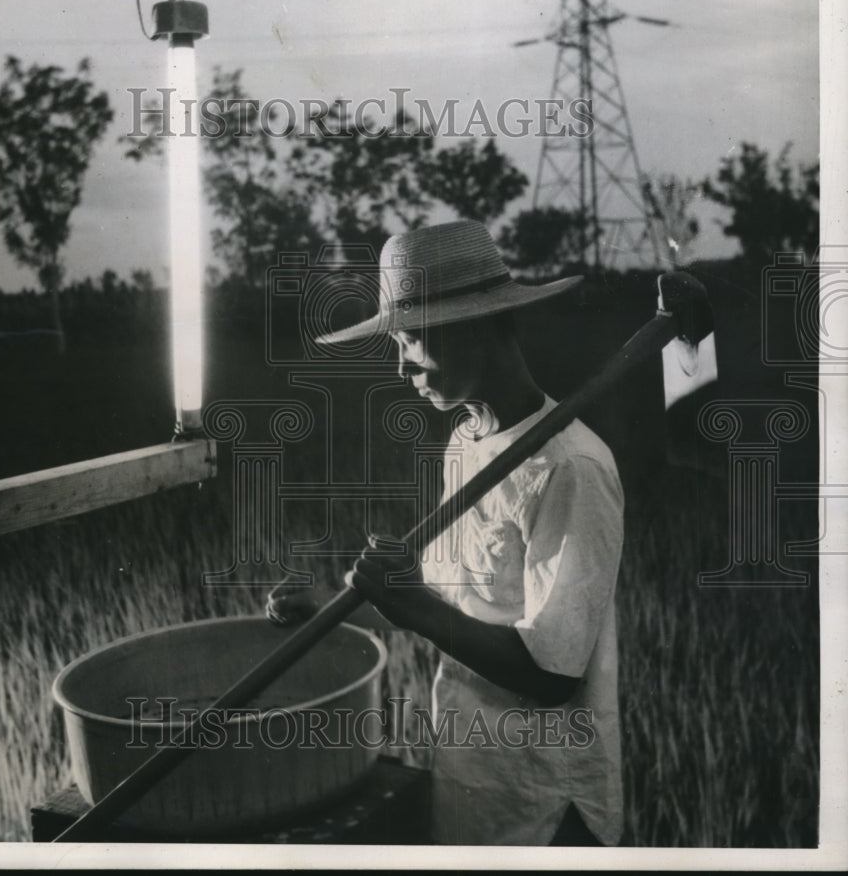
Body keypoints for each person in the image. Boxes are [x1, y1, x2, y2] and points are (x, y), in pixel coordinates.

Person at [266, 220, 624, 846]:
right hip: (469, 778)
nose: (401, 366)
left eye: (410, 341)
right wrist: (333, 608)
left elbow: (552, 675)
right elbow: (445, 596)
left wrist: (416, 610)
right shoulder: (467, 439)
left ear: (478, 328)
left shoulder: (570, 467)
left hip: (546, 804)